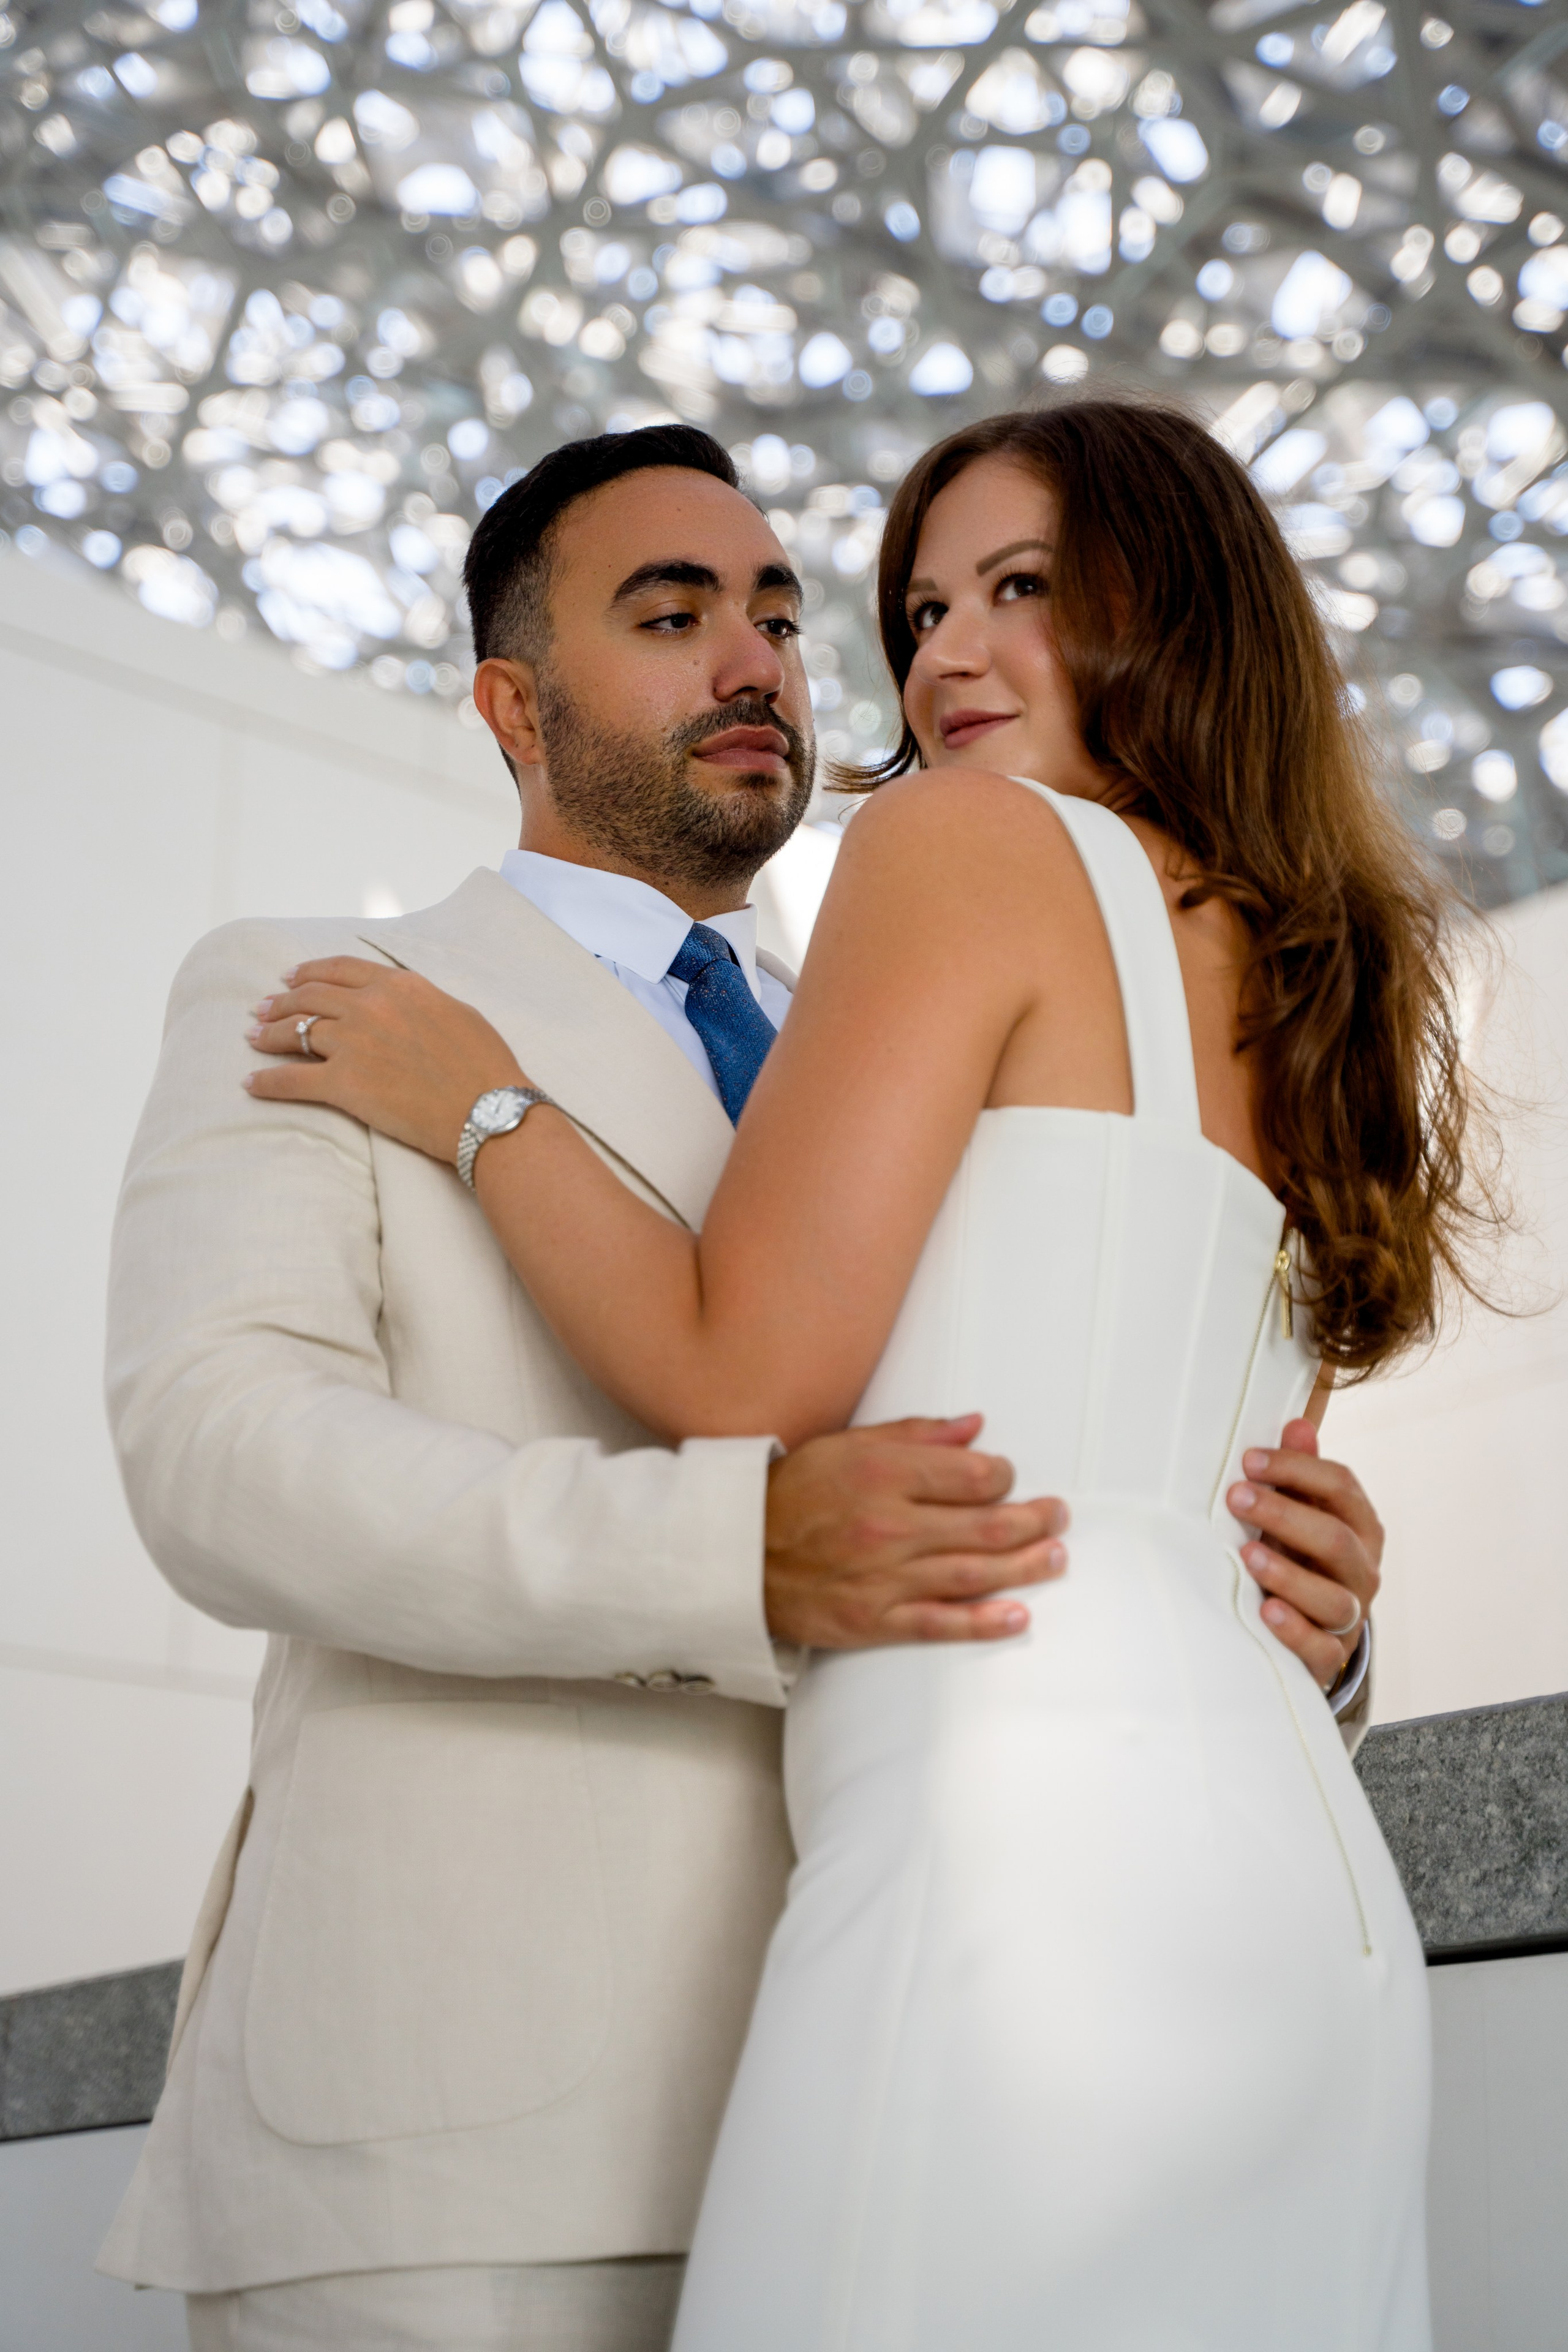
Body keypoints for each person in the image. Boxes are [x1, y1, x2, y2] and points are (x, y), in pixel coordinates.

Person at [104, 421, 1385, 2352]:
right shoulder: (316, 993)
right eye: (674, 610)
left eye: (784, 614)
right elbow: (222, 1462)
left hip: (923, 2052)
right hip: (456, 2145)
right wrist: (732, 1558)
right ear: (513, 704)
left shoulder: (959, 988)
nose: (761, 659)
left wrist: (1317, 1624)